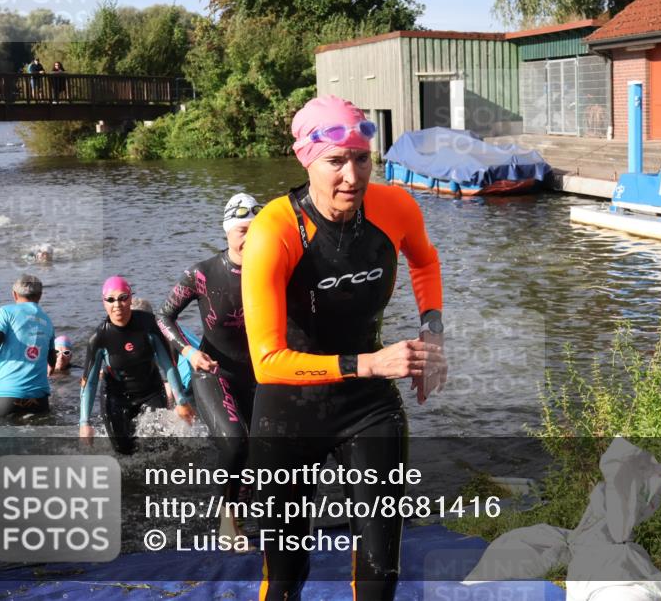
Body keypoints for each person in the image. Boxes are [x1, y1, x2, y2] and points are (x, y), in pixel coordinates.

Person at [242, 95, 447, 600]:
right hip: (289, 411)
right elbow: (267, 364)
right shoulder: (275, 230)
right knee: (285, 576)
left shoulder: (396, 206)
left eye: (361, 159)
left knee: (381, 571)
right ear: (305, 159)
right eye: (335, 161)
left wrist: (432, 332)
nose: (352, 177)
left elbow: (424, 261)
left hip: (368, 408)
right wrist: (371, 363)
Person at [157, 192, 261, 544]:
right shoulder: (202, 274)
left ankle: (242, 519)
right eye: (242, 230)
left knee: (263, 450)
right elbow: (163, 315)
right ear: (228, 232)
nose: (249, 238)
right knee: (235, 444)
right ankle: (228, 518)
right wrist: (187, 352)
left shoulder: (274, 269)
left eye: (255, 230)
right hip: (214, 371)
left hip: (260, 374)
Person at [79, 276, 194, 454]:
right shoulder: (99, 338)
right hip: (116, 397)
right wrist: (84, 423)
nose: (117, 305)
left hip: (151, 392)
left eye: (123, 297)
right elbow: (90, 382)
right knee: (123, 451)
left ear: (131, 298)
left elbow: (168, 365)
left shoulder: (149, 324)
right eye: (110, 300)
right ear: (104, 303)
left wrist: (182, 401)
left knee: (159, 448)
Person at [0, 274, 57, 417]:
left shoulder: (5, 312)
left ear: (14, 294)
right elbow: (52, 357)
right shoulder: (48, 321)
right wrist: (51, 367)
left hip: (6, 395)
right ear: (40, 295)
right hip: (38, 397)